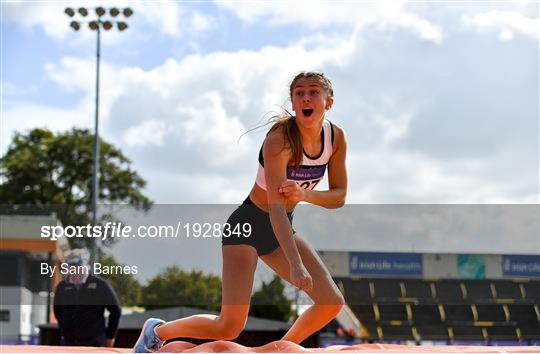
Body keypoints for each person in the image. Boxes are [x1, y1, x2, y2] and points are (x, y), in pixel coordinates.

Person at [134, 71, 348, 353]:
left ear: (328, 102)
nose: (306, 97)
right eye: (299, 93)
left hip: (281, 227)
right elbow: (274, 209)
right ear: (293, 102)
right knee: (230, 325)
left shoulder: (335, 138)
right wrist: (295, 264)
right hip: (248, 224)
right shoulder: (281, 140)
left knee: (331, 302)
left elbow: (339, 196)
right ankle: (157, 331)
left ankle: (281, 348)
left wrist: (304, 194)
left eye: (313, 92)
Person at [53, 248, 121, 347]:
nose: (73, 269)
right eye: (69, 265)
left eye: (76, 264)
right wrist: (65, 330)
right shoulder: (62, 287)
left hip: (94, 342)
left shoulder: (100, 285)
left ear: (85, 265)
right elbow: (58, 311)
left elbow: (116, 310)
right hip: (69, 342)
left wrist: (110, 337)